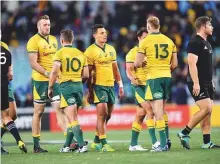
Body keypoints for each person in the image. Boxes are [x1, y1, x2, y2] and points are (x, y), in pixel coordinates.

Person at [135, 16, 178, 152]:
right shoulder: (169, 41)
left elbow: (136, 63)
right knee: (162, 109)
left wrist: (145, 63)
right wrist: (165, 69)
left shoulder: (145, 41)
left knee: (157, 111)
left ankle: (163, 144)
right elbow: (175, 64)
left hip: (154, 78)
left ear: (148, 27)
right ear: (159, 25)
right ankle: (166, 140)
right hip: (167, 77)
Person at [26, 15, 68, 153]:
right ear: (38, 27)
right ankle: (36, 146)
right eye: (44, 25)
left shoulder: (55, 40)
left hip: (54, 81)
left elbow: (57, 60)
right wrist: (47, 73)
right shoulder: (33, 41)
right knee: (38, 112)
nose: (47, 27)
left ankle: (69, 141)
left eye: (48, 24)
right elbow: (33, 63)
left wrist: (58, 74)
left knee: (60, 108)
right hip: (39, 81)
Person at [177, 16, 220, 149]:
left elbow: (206, 65)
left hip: (207, 82)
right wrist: (196, 83)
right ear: (203, 26)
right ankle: (184, 132)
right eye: (210, 25)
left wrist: (211, 80)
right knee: (206, 108)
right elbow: (191, 63)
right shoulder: (195, 42)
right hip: (198, 82)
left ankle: (206, 143)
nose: (212, 27)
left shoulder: (207, 43)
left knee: (208, 112)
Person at [48, 29, 89, 153]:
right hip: (79, 86)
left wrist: (50, 87)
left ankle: (82, 145)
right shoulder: (81, 54)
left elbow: (55, 71)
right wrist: (78, 83)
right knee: (72, 117)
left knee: (72, 118)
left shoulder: (59, 53)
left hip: (66, 87)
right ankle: (66, 146)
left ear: (61, 40)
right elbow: (86, 75)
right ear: (72, 40)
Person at [85, 24, 124, 152]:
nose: (105, 34)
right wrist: (90, 91)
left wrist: (120, 84)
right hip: (98, 86)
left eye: (105, 32)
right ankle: (104, 143)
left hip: (110, 85)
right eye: (101, 33)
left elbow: (115, 68)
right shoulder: (90, 51)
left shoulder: (111, 49)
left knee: (108, 115)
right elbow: (88, 74)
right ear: (94, 35)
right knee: (102, 114)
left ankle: (96, 141)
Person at [126, 27, 160, 151]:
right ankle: (155, 142)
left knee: (140, 114)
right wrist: (132, 78)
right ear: (139, 38)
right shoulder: (133, 53)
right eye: (145, 38)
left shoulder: (151, 52)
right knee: (150, 110)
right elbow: (129, 69)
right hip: (139, 86)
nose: (147, 40)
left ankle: (133, 144)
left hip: (150, 84)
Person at [1, 35, 27, 154]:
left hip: (5, 83)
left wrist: (10, 71)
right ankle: (18, 141)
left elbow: (9, 61)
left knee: (12, 115)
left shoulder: (4, 46)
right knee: (6, 116)